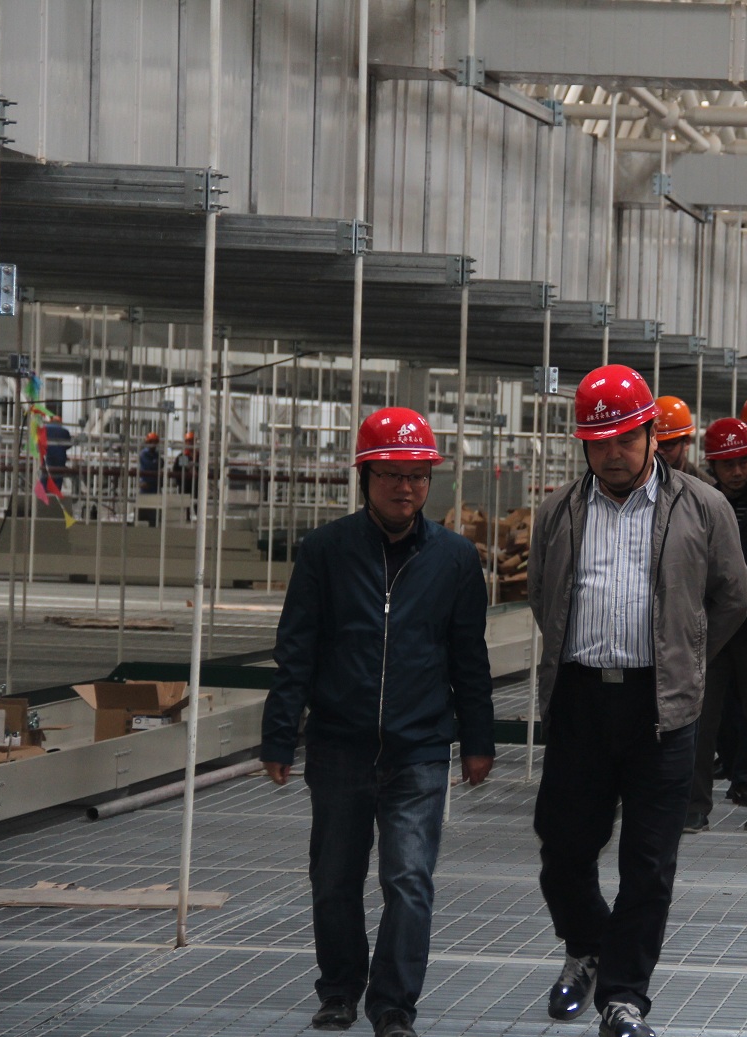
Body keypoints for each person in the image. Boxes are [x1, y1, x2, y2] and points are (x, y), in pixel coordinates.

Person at [527, 364, 747, 1037]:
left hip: (661, 709)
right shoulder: (558, 511)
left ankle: (623, 996)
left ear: (653, 434)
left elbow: (734, 595)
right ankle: (589, 944)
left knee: (648, 863)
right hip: (580, 701)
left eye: (626, 438)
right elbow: (543, 595)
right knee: (563, 849)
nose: (613, 454)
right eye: (599, 443)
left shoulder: (703, 507)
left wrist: (684, 655)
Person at [260, 406, 495, 1037]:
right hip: (340, 745)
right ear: (364, 477)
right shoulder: (325, 552)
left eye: (417, 476)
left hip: (419, 748)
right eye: (390, 474)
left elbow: (469, 658)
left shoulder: (454, 558)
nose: (405, 488)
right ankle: (339, 989)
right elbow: (297, 650)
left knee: (409, 879)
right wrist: (280, 734)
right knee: (335, 879)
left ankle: (394, 1006)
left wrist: (478, 739)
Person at [684, 417, 747, 834]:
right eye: (728, 464)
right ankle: (696, 805)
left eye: (742, 461)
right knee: (702, 720)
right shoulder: (699, 505)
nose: (738, 471)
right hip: (713, 628)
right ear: (713, 465)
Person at [652, 395, 713, 485]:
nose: (659, 451)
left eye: (667, 444)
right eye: (654, 443)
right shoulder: (635, 481)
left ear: (686, 442)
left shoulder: (704, 486)